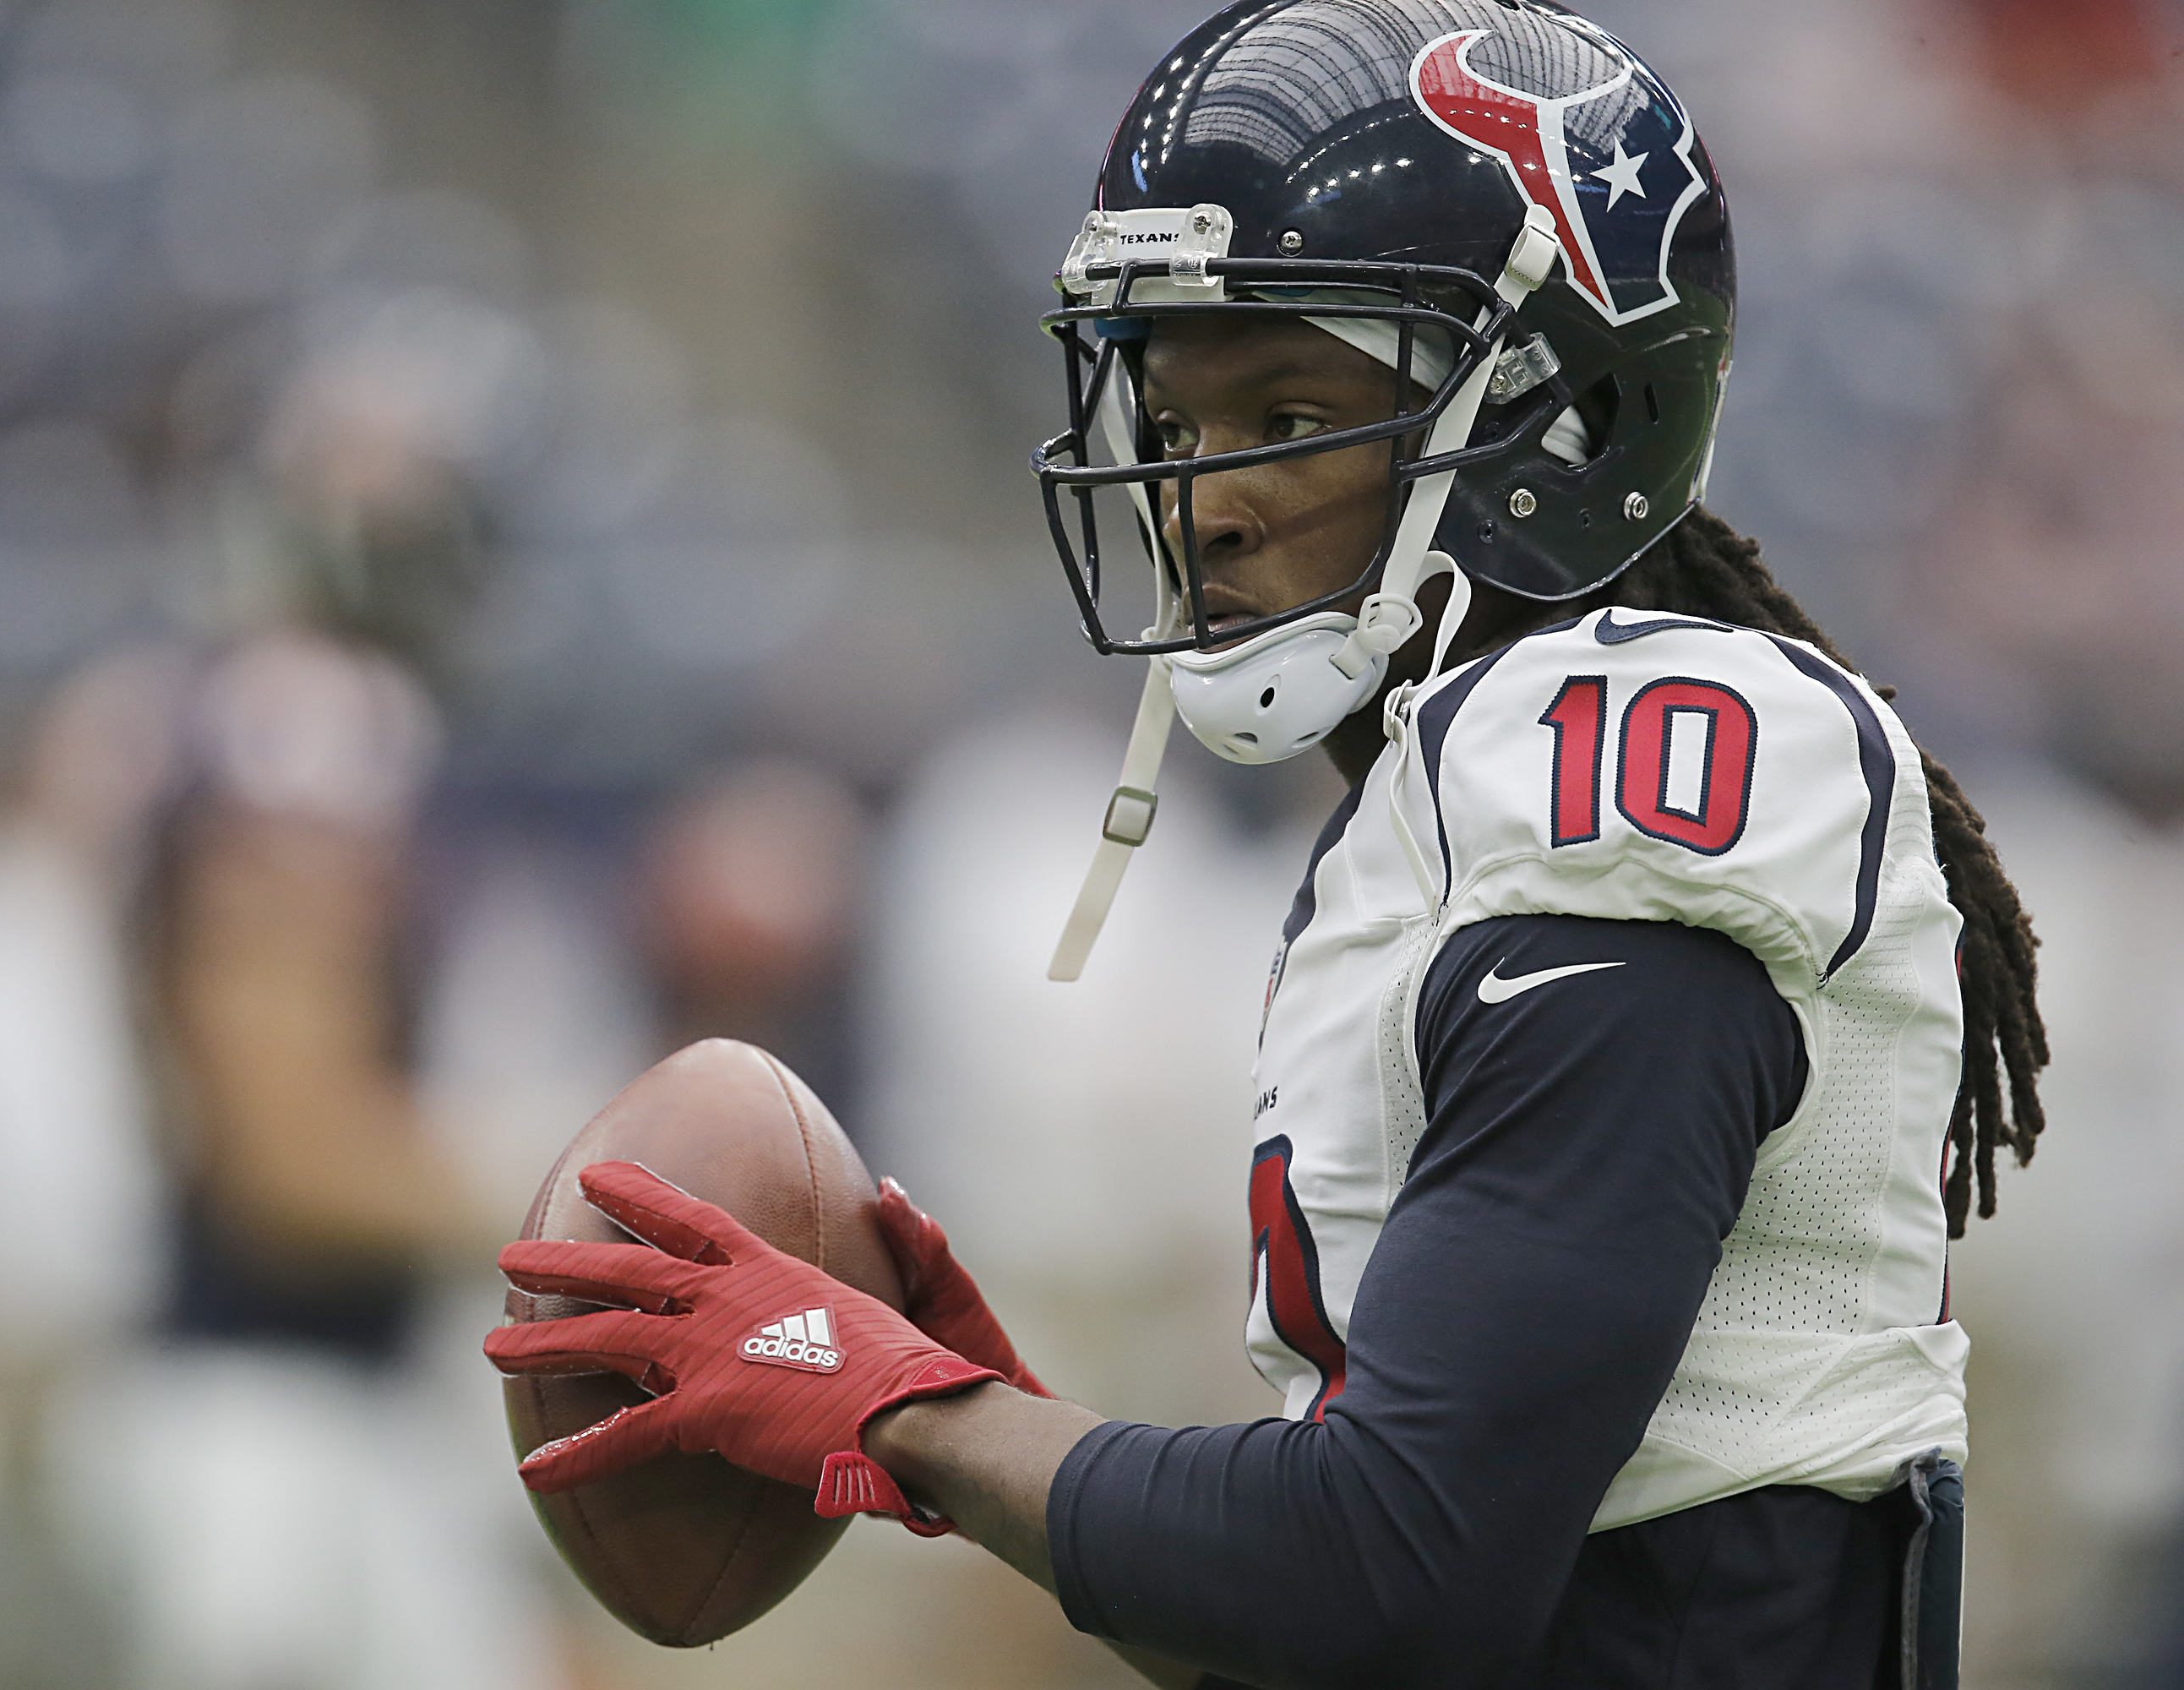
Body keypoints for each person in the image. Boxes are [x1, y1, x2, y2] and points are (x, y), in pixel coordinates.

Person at [483, 3, 2051, 1685]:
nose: (1203, 496)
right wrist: (998, 1442)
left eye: (1288, 404)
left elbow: (1396, 1572)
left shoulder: (1626, 777)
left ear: (1556, 415)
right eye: (1174, 420)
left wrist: (916, 1413)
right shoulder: (1435, 809)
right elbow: (1354, 1629)